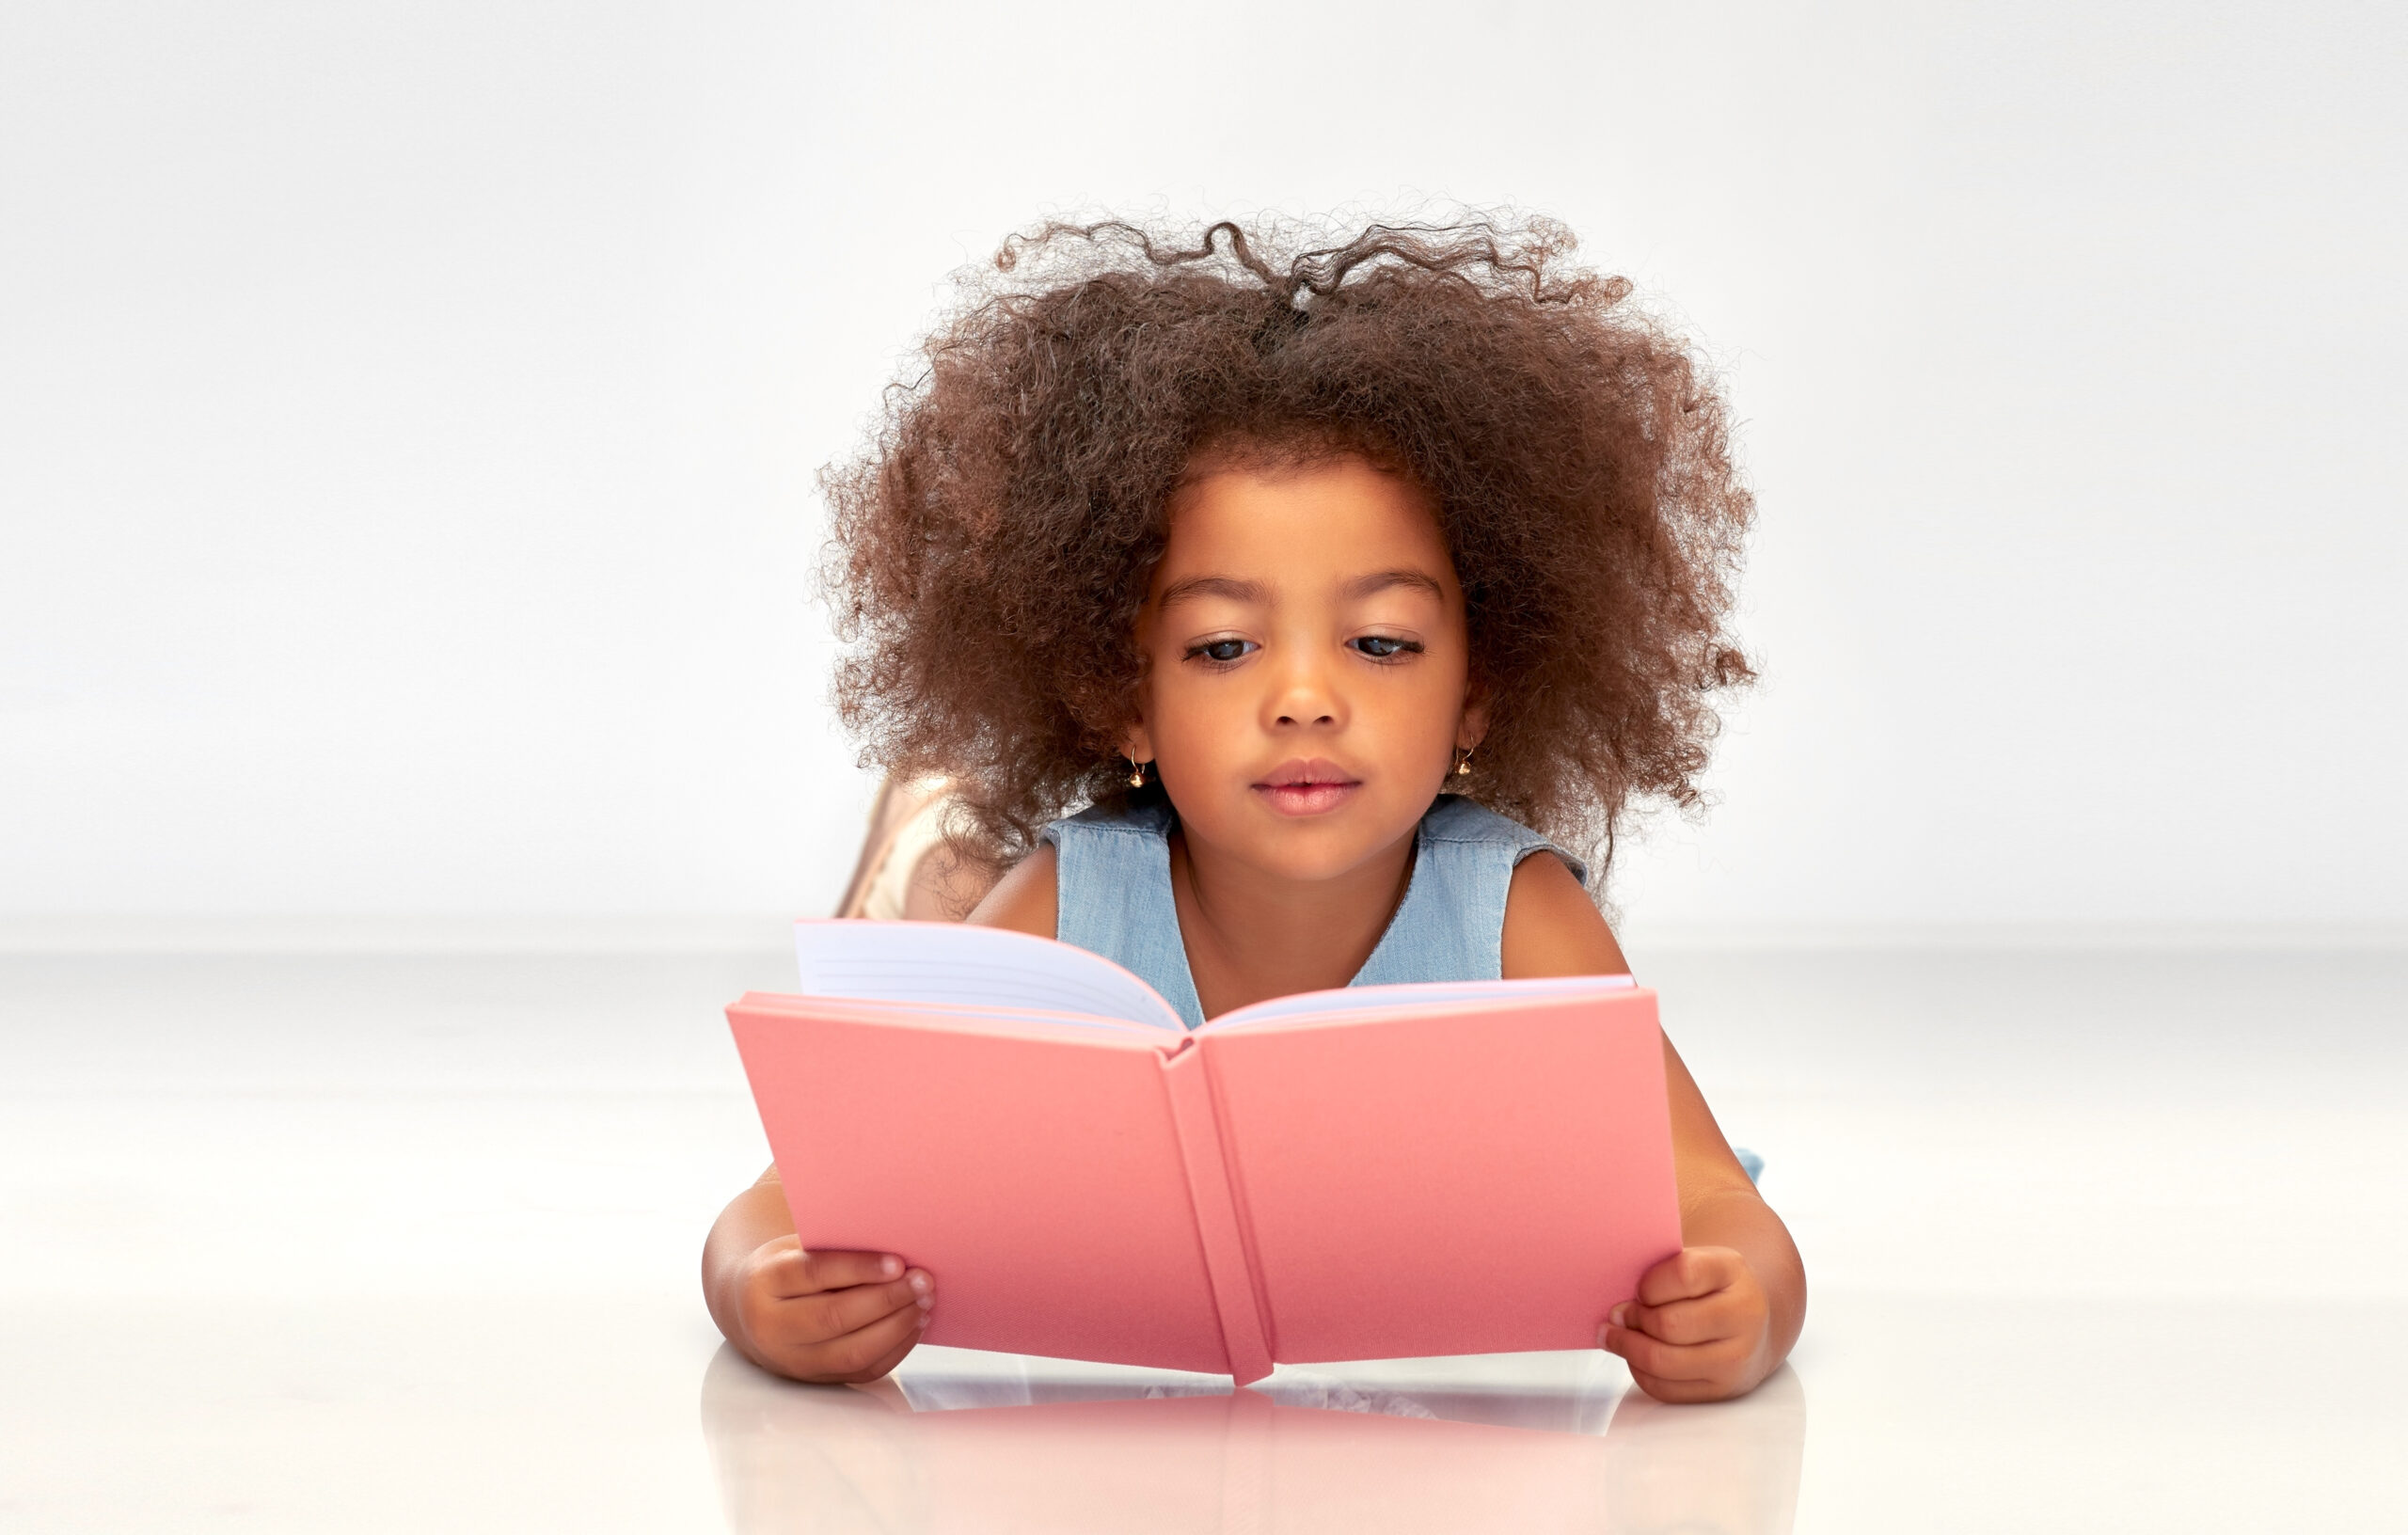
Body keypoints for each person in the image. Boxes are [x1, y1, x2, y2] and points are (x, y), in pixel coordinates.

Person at [704, 217, 1804, 1402]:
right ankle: (922, 857)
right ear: (1125, 700)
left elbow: (1720, 1212)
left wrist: (1743, 1307)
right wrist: (760, 1285)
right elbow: (780, 1204)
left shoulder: (1514, 916)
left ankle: (924, 856)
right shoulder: (1068, 900)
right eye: (1224, 646)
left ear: (1477, 691)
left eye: (1380, 642)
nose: (1303, 700)